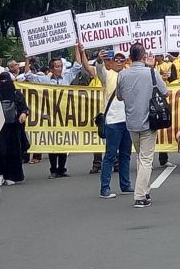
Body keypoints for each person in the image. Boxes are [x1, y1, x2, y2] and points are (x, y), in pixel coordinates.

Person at [115, 43, 169, 208]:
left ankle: (145, 191)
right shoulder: (151, 72)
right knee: (146, 159)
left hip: (131, 121)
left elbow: (119, 96)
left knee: (141, 157)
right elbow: (165, 92)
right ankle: (140, 196)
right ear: (144, 55)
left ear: (130, 57)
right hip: (149, 120)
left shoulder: (122, 75)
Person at [22, 49, 84, 177]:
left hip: (64, 115)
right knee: (53, 143)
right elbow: (28, 75)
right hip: (50, 116)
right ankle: (53, 169)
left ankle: (62, 169)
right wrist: (27, 59)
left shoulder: (66, 77)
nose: (59, 69)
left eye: (60, 66)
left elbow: (77, 65)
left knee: (63, 143)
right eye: (56, 67)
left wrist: (77, 49)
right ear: (51, 69)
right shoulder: (45, 80)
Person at [90, 52, 131, 199]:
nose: (119, 62)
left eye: (122, 60)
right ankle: (105, 188)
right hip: (113, 121)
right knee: (110, 155)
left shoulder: (128, 74)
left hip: (127, 120)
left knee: (125, 155)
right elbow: (99, 69)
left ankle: (125, 185)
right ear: (111, 62)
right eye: (116, 60)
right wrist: (100, 59)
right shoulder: (107, 75)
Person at [0, 72, 29, 187]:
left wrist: (23, 113)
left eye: (6, 81)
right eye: (2, 80)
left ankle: (11, 175)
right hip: (0, 128)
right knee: (0, 152)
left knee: (13, 152)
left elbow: (24, 107)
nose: (4, 83)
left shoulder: (16, 94)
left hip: (14, 128)